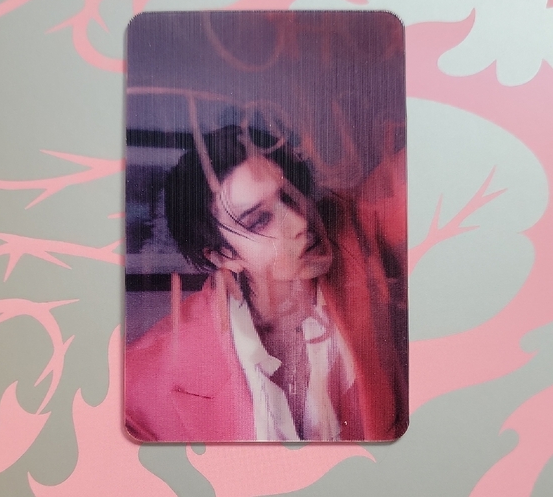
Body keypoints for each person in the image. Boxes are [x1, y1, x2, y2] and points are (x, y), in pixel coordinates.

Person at [124, 125, 407, 442]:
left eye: (290, 197)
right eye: (260, 220)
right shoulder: (142, 378)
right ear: (223, 256)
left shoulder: (350, 232)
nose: (300, 222)